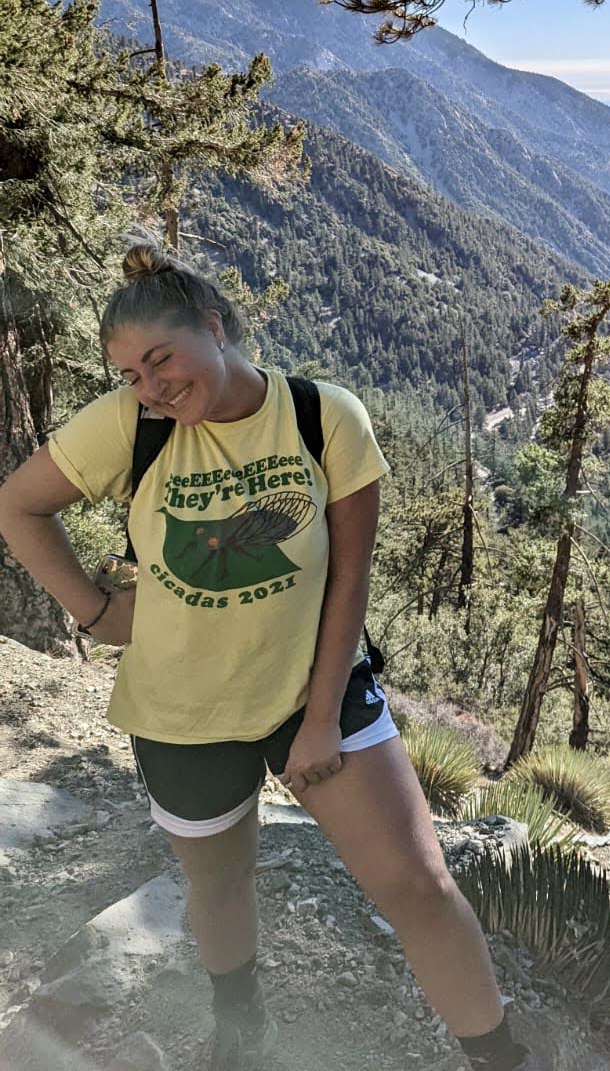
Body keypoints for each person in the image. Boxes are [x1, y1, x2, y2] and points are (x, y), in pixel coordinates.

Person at [0, 242, 532, 1071]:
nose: (149, 386)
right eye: (130, 373)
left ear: (215, 327)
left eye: (161, 358)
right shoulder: (129, 428)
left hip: (312, 692)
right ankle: (241, 1026)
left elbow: (349, 581)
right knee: (218, 884)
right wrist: (96, 610)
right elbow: (20, 506)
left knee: (418, 886)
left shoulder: (324, 417)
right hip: (180, 713)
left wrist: (319, 722)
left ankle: (502, 1057)